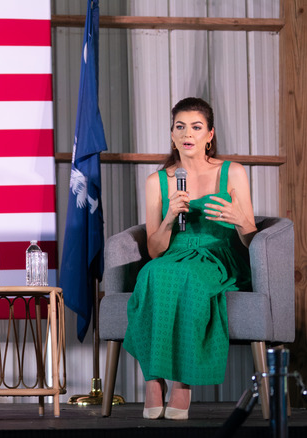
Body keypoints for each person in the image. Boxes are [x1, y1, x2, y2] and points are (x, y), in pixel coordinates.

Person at [122, 97, 258, 420]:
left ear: (209, 134)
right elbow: (154, 250)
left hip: (218, 255)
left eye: (196, 127)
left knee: (189, 279)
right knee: (151, 273)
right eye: (180, 127)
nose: (187, 134)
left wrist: (240, 220)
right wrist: (169, 218)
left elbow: (252, 240)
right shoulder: (157, 181)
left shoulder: (233, 172)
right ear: (172, 135)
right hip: (175, 253)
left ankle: (182, 383)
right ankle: (153, 380)